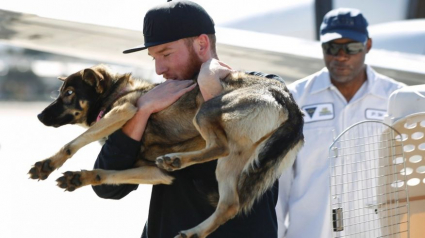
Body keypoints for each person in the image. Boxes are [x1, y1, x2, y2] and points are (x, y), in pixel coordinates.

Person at [92, 1, 283, 238]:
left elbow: (240, 154)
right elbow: (108, 188)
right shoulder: (158, 101)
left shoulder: (265, 88)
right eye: (154, 58)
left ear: (202, 44)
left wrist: (211, 88)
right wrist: (142, 110)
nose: (159, 69)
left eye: (166, 54)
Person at [276, 8, 405, 238]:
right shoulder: (294, 99)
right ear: (322, 47)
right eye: (332, 47)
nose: (341, 55)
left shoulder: (397, 99)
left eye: (352, 47)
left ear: (368, 45)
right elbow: (278, 181)